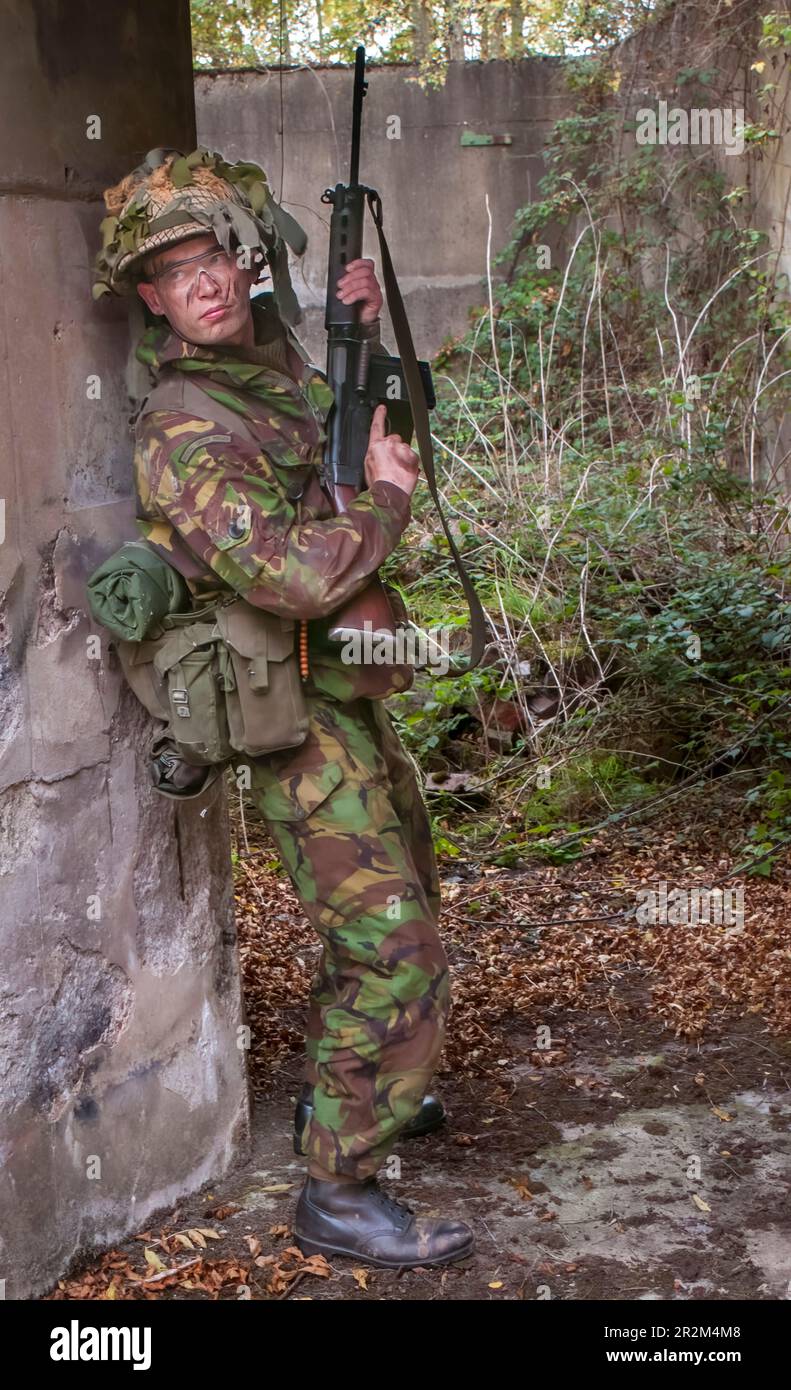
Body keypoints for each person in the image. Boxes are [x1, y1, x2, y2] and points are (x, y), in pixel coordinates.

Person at [93, 148, 474, 1269]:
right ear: (151, 298)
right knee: (390, 946)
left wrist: (375, 338)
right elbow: (298, 575)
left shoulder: (277, 367)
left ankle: (368, 1088)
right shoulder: (182, 423)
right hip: (284, 705)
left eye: (211, 251)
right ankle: (337, 1187)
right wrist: (389, 508)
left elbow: (383, 438)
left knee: (408, 897)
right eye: (173, 271)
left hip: (340, 688)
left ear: (241, 256)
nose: (202, 282)